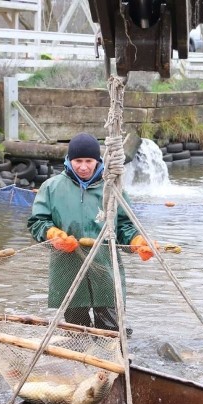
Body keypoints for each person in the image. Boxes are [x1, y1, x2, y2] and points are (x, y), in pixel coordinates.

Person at [27, 132, 153, 330]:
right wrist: (52, 234)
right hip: (67, 269)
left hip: (105, 270)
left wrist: (137, 242)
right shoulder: (51, 187)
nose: (83, 167)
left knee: (111, 330)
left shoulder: (111, 189)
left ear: (98, 161)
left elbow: (124, 226)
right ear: (69, 160)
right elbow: (37, 222)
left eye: (89, 161)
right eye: (78, 161)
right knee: (78, 330)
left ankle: (115, 355)